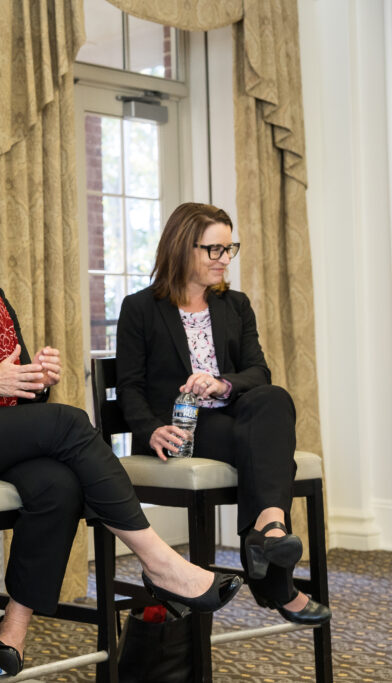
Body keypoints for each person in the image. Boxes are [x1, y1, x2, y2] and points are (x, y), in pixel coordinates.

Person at [0, 181, 243, 675]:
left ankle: (13, 626)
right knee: (70, 422)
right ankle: (158, 560)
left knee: (58, 484)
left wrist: (38, 379)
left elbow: (25, 392)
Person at [115, 201, 331, 626]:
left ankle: (267, 530)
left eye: (229, 248)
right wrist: (152, 429)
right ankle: (276, 578)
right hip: (181, 430)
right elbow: (130, 387)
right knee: (269, 452)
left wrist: (222, 383)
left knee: (272, 397)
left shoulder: (235, 304)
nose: (225, 259)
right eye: (214, 249)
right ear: (182, 248)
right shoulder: (140, 308)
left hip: (236, 416)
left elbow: (258, 371)